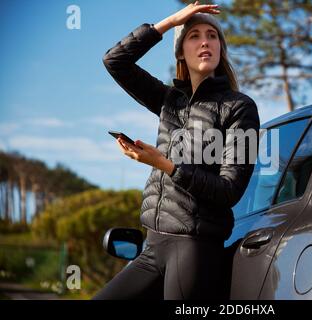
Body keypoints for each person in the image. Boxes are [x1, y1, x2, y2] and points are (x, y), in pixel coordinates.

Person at [93, 2, 260, 300]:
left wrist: (166, 165)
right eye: (194, 35)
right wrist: (170, 23)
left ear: (221, 48)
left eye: (212, 35)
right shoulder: (169, 101)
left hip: (194, 249)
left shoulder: (240, 108)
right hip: (152, 247)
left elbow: (230, 190)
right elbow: (114, 61)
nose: (205, 41)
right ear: (181, 51)